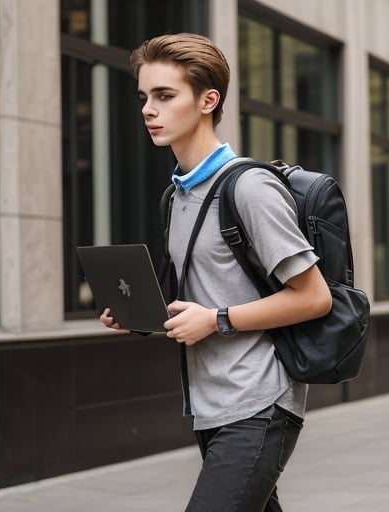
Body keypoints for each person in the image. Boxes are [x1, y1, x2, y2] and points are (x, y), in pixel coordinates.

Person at [100, 33, 332, 511]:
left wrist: (216, 319)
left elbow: (313, 297)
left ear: (209, 101)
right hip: (211, 403)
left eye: (165, 96)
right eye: (144, 96)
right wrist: (136, 313)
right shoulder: (177, 196)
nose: (148, 109)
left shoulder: (249, 189)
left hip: (259, 402)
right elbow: (203, 292)